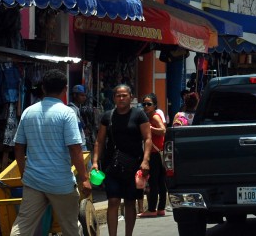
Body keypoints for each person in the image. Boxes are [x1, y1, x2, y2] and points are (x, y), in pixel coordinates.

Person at [9, 69, 91, 236]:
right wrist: (84, 178)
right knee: (70, 228)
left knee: (23, 226)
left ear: (43, 89)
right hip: (60, 182)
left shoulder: (28, 112)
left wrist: (24, 173)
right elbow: (75, 148)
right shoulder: (67, 113)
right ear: (65, 89)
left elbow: (18, 147)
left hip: (34, 181)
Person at [92, 84, 152, 236]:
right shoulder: (107, 116)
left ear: (131, 97)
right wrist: (94, 162)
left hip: (134, 165)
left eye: (124, 95)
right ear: (113, 98)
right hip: (112, 166)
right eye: (118, 95)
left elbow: (148, 138)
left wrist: (145, 160)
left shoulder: (139, 115)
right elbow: (99, 140)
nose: (121, 98)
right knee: (113, 201)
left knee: (130, 202)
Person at [138, 93, 167, 218]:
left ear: (154, 105)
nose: (146, 106)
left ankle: (151, 209)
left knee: (153, 181)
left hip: (155, 153)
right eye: (144, 104)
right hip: (159, 153)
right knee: (160, 182)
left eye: (149, 104)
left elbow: (163, 130)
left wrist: (149, 128)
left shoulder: (154, 117)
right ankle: (160, 208)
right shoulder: (148, 116)